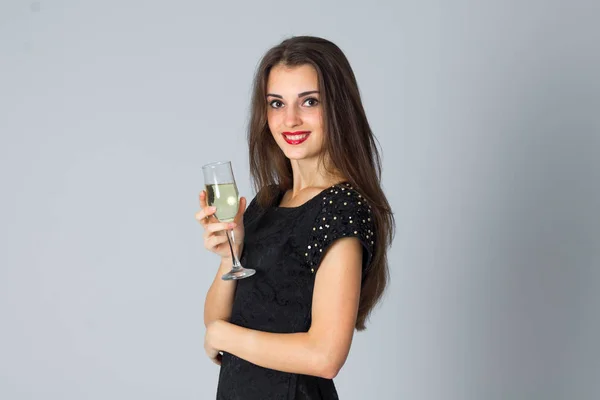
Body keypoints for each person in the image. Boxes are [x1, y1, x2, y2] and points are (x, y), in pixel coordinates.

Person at [195, 36, 394, 400]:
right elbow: (215, 324)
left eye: (310, 101)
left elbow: (325, 356)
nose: (290, 119)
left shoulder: (342, 210)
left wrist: (224, 336)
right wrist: (229, 256)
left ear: (338, 108)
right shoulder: (267, 202)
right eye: (276, 103)